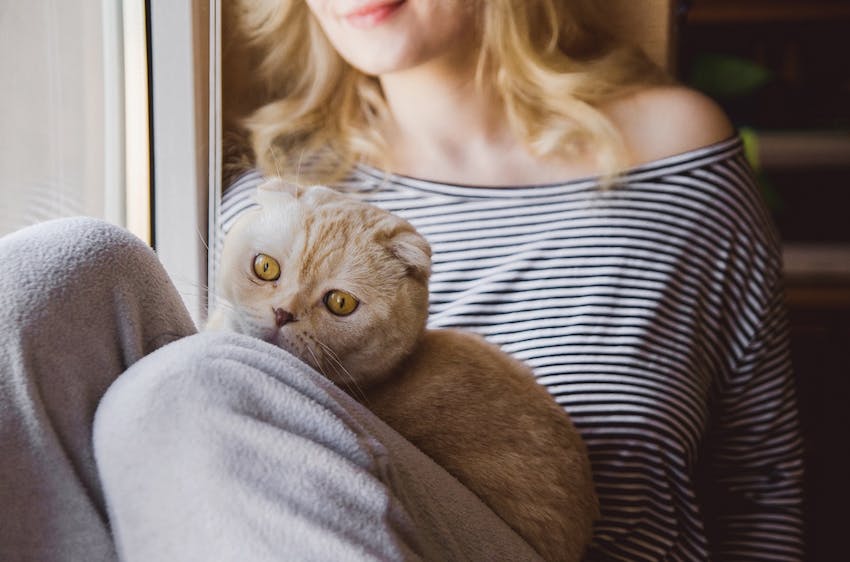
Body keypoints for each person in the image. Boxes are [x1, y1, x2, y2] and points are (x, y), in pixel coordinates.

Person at [0, 2, 803, 562]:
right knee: (62, 273)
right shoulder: (272, 195)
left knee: (193, 383)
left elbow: (762, 477)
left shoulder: (674, 162)